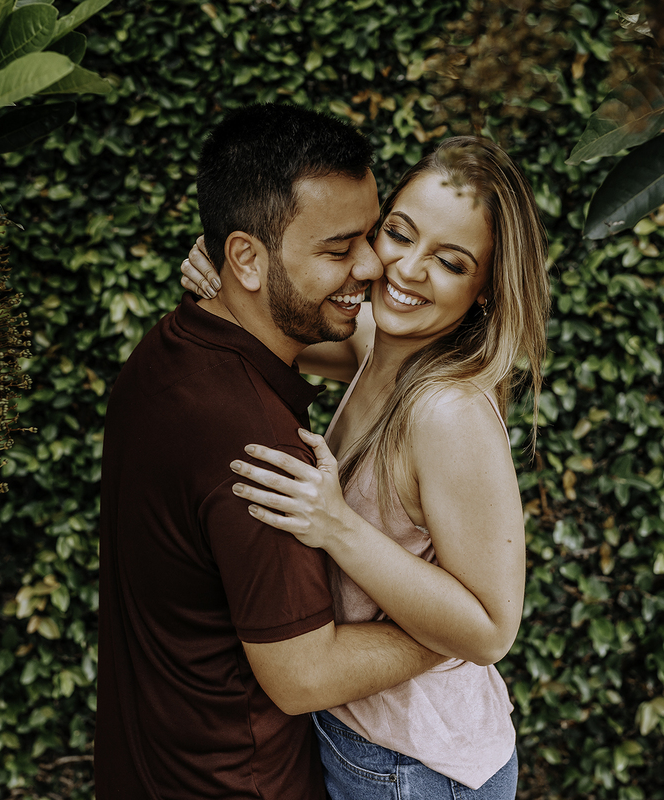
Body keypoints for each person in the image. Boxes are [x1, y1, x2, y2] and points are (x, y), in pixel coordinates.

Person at [181, 136, 552, 799]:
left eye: (449, 261)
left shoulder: (447, 412)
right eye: (399, 235)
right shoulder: (381, 341)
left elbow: (493, 628)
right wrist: (235, 277)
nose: (408, 269)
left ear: (487, 292)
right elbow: (287, 329)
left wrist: (335, 526)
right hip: (367, 739)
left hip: (414, 768)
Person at [96, 103, 446, 800]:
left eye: (371, 235)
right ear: (246, 258)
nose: (374, 265)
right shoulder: (257, 448)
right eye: (338, 248)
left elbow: (380, 352)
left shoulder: (166, 354)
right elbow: (304, 675)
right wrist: (453, 631)